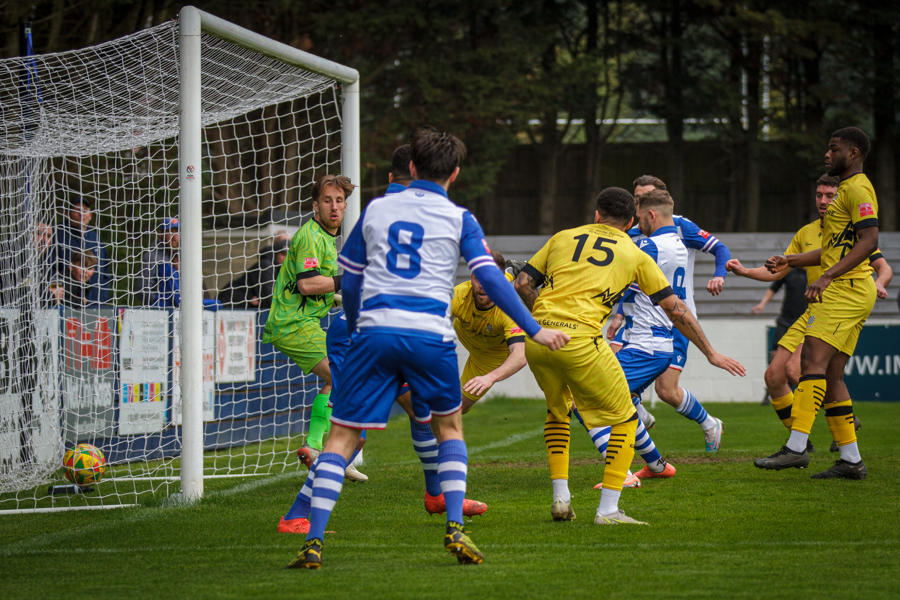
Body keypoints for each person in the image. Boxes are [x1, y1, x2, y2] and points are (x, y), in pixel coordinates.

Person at [285, 127, 569, 569]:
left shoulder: (377, 209)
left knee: (342, 436)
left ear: (411, 167)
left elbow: (353, 279)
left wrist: (360, 327)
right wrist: (534, 328)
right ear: (454, 173)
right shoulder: (460, 218)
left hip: (375, 333)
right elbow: (493, 277)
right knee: (449, 429)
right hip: (428, 337)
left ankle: (313, 540)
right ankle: (455, 527)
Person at [514, 187, 745, 527]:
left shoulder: (563, 237)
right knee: (626, 417)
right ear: (631, 222)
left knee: (558, 411)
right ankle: (608, 510)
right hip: (582, 341)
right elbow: (675, 309)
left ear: (596, 214)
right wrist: (710, 352)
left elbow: (521, 283)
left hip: (539, 338)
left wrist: (542, 321)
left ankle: (561, 499)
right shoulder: (635, 253)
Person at [729, 171, 891, 456]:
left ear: (842, 197)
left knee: (798, 369)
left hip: (838, 303)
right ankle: (808, 441)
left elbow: (882, 266)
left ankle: (801, 445)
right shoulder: (807, 233)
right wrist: (744, 271)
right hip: (813, 309)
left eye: (831, 195)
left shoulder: (852, 229)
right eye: (820, 195)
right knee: (774, 375)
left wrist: (878, 283)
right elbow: (780, 269)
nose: (824, 201)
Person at [756, 127, 879, 480]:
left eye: (834, 148)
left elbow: (870, 241)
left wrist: (826, 277)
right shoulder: (847, 192)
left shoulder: (858, 188)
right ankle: (851, 460)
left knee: (810, 360)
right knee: (831, 373)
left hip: (845, 290)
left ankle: (796, 448)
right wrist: (790, 261)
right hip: (849, 288)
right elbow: (832, 249)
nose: (828, 154)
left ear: (853, 153)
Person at [607, 175, 731, 451]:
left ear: (658, 202)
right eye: (635, 197)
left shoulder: (678, 227)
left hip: (674, 318)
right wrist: (619, 313)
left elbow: (720, 248)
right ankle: (639, 425)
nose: (637, 202)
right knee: (614, 376)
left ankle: (709, 423)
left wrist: (719, 275)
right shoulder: (635, 229)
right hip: (637, 317)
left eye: (643, 198)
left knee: (666, 390)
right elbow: (631, 282)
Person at [263, 175, 353, 477]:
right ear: (316, 206)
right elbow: (307, 285)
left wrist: (341, 297)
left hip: (300, 322)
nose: (334, 207)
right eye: (327, 200)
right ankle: (327, 450)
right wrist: (347, 282)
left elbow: (321, 288)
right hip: (294, 324)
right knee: (345, 377)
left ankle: (320, 447)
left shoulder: (324, 237)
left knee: (341, 375)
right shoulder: (312, 236)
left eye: (339, 200)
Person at [452, 250, 528, 411]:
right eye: (478, 278)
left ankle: (507, 275)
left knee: (457, 408)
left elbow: (520, 355)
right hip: (465, 335)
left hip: (490, 355)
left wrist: (490, 378)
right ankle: (509, 274)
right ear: (471, 278)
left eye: (491, 279)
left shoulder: (509, 309)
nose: (483, 286)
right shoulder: (459, 293)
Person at [54, 195, 109, 304]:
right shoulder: (57, 236)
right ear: (67, 214)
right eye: (77, 210)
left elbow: (106, 273)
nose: (81, 214)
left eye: (85, 210)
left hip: (95, 305)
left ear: (90, 215)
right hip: (65, 306)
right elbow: (51, 270)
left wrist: (103, 296)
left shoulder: (96, 239)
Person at [218, 238, 290, 309]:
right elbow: (269, 298)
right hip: (229, 304)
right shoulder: (266, 266)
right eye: (283, 254)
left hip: (245, 307)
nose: (286, 258)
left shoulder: (285, 270)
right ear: (276, 254)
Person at [137, 217, 180, 307]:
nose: (174, 235)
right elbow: (142, 288)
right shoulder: (152, 256)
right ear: (161, 233)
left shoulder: (181, 256)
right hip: (161, 311)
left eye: (176, 231)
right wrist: (158, 304)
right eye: (170, 231)